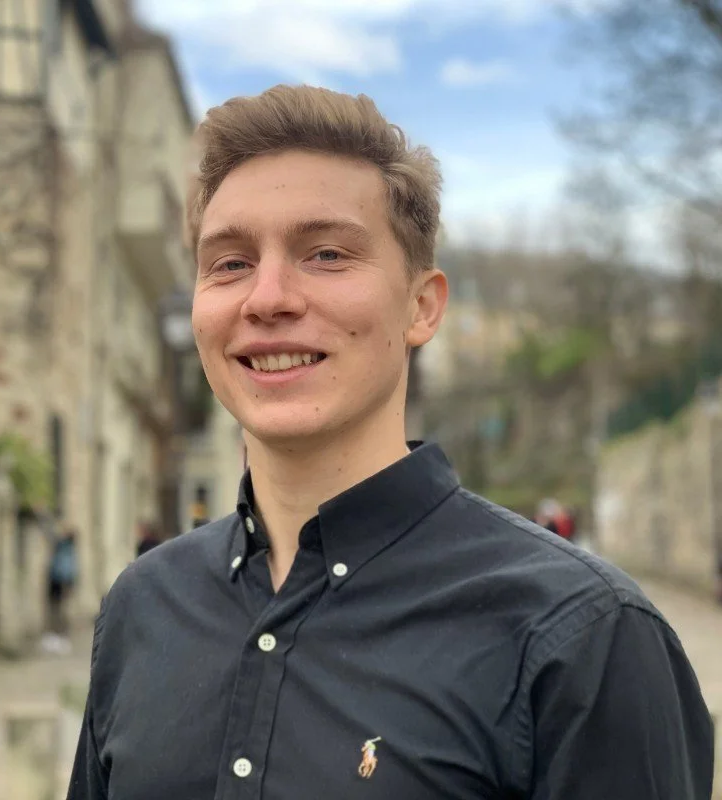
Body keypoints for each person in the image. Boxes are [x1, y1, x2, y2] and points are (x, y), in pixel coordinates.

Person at [67, 85, 713, 799]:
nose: (267, 297)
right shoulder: (141, 606)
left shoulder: (582, 636)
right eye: (230, 263)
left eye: (326, 254)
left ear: (422, 306)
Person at [42, 527, 77, 655]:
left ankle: (60, 637)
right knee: (57, 609)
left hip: (60, 581)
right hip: (59, 580)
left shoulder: (64, 547)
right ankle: (56, 637)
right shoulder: (67, 550)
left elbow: (49, 532)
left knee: (59, 610)